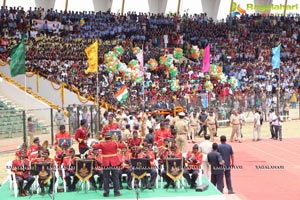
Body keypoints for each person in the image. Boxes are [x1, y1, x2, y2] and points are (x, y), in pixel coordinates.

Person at [92, 132, 126, 197]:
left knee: (105, 178)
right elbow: (123, 146)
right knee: (115, 177)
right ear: (111, 137)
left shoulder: (102, 144)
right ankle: (116, 192)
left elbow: (94, 146)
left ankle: (106, 192)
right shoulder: (115, 143)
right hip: (114, 162)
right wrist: (121, 141)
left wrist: (98, 141)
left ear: (105, 138)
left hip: (105, 162)